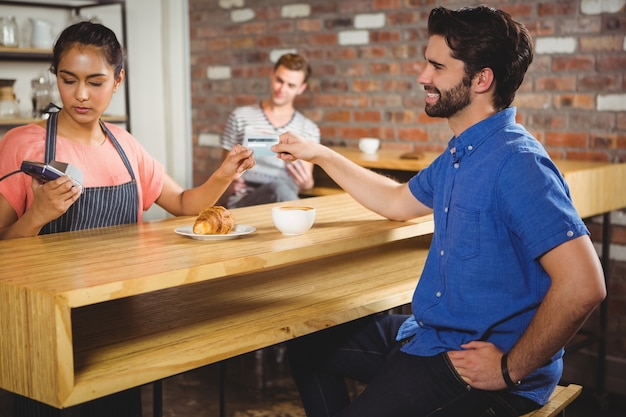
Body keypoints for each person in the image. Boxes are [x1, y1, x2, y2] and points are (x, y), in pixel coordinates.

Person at [273, 5, 606, 417]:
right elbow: (396, 202)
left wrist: (509, 368)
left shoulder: (518, 164)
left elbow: (584, 285)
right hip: (435, 336)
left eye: (437, 66)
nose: (422, 77)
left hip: (480, 365)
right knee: (308, 346)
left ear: (481, 79)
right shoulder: (459, 154)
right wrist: (320, 154)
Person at [0, 21, 254, 415]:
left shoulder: (125, 146)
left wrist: (225, 173)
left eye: (96, 82)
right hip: (44, 329)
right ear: (56, 77)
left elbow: (185, 203)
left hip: (121, 320)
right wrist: (38, 215)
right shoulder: (23, 145)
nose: (81, 95)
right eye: (68, 80)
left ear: (118, 80)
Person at [219, 53, 320, 208]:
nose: (282, 89)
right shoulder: (240, 117)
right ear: (272, 75)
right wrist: (229, 182)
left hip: (284, 205)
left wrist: (307, 184)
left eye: (291, 85)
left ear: (301, 88)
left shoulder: (309, 129)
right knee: (278, 188)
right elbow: (223, 173)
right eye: (279, 80)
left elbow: (305, 185)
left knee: (280, 188)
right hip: (245, 203)